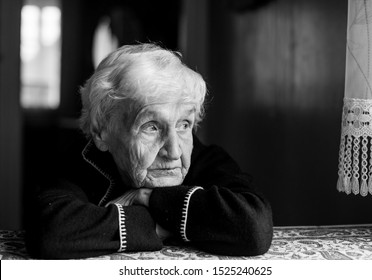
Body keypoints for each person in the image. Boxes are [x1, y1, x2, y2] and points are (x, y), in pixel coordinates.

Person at [26, 43, 273, 259]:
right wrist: (156, 223)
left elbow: (253, 227)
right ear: (102, 132)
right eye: (151, 127)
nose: (174, 151)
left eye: (184, 124)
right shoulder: (74, 164)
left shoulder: (205, 157)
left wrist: (151, 198)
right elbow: (51, 233)